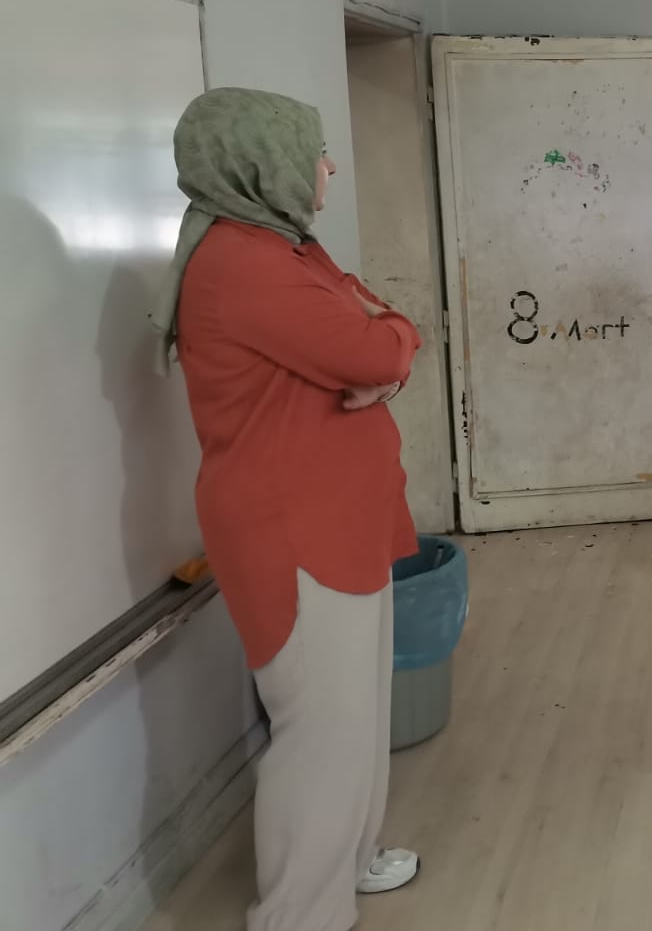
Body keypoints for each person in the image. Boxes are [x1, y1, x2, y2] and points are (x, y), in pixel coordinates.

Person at [150, 88, 423, 931]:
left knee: (357, 711)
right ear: (260, 161)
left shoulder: (287, 246)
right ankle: (299, 913)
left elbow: (388, 328)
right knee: (321, 727)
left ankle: (351, 858)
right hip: (295, 530)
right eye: (315, 151)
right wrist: (385, 352)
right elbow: (374, 344)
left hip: (338, 519)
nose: (329, 166)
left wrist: (388, 349)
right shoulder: (243, 264)